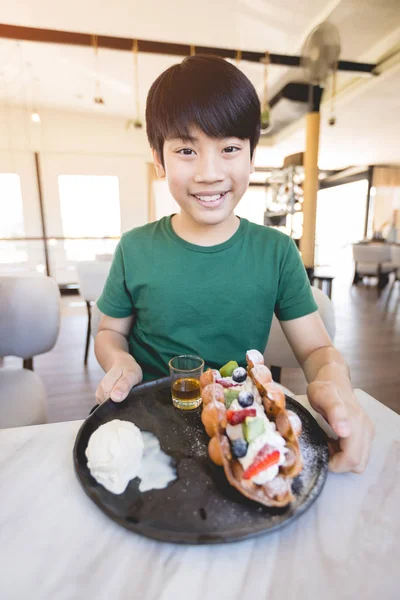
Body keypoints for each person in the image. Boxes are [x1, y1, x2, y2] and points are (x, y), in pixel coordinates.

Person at [94, 54, 374, 474]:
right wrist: (120, 362)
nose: (209, 173)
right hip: (148, 421)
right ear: (159, 159)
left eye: (228, 149)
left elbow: (317, 349)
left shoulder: (277, 251)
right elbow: (108, 332)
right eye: (186, 150)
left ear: (251, 156)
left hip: (243, 426)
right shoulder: (135, 248)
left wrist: (334, 382)